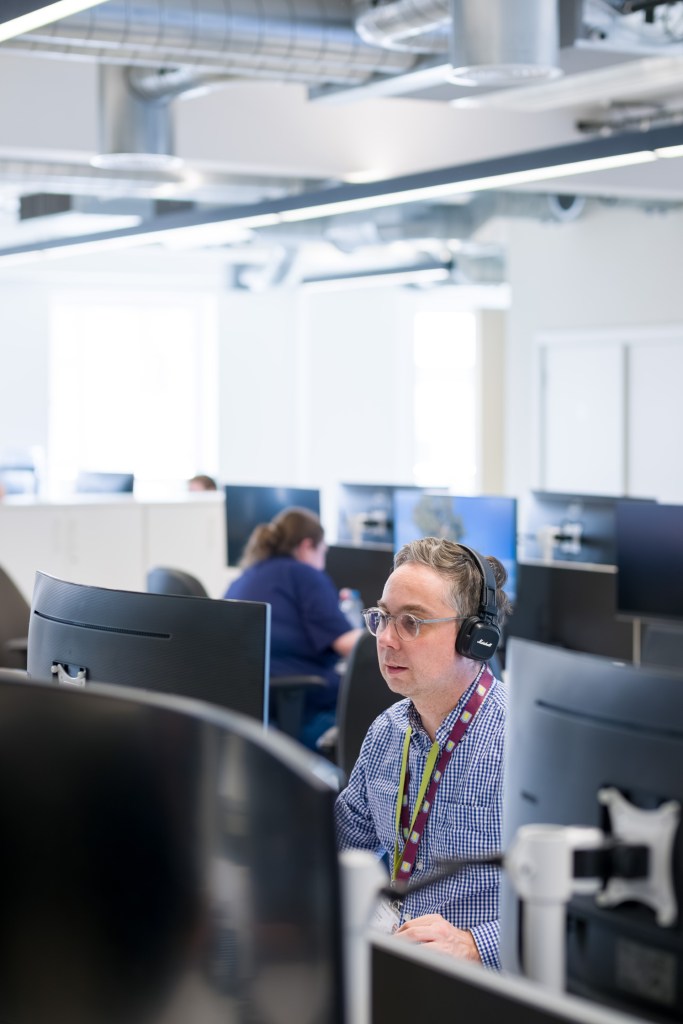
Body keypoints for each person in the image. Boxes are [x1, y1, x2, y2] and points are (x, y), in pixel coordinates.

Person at [335, 537, 511, 969]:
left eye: (412, 622)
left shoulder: (520, 744)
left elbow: (575, 901)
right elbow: (340, 842)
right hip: (397, 956)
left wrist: (474, 944)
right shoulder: (387, 731)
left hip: (480, 983)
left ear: (475, 639)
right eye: (382, 618)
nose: (386, 639)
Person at [224, 506, 363, 748]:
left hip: (248, 705)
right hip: (299, 703)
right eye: (323, 552)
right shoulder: (305, 575)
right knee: (373, 707)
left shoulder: (246, 574)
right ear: (307, 546)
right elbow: (348, 644)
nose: (323, 563)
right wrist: (385, 629)